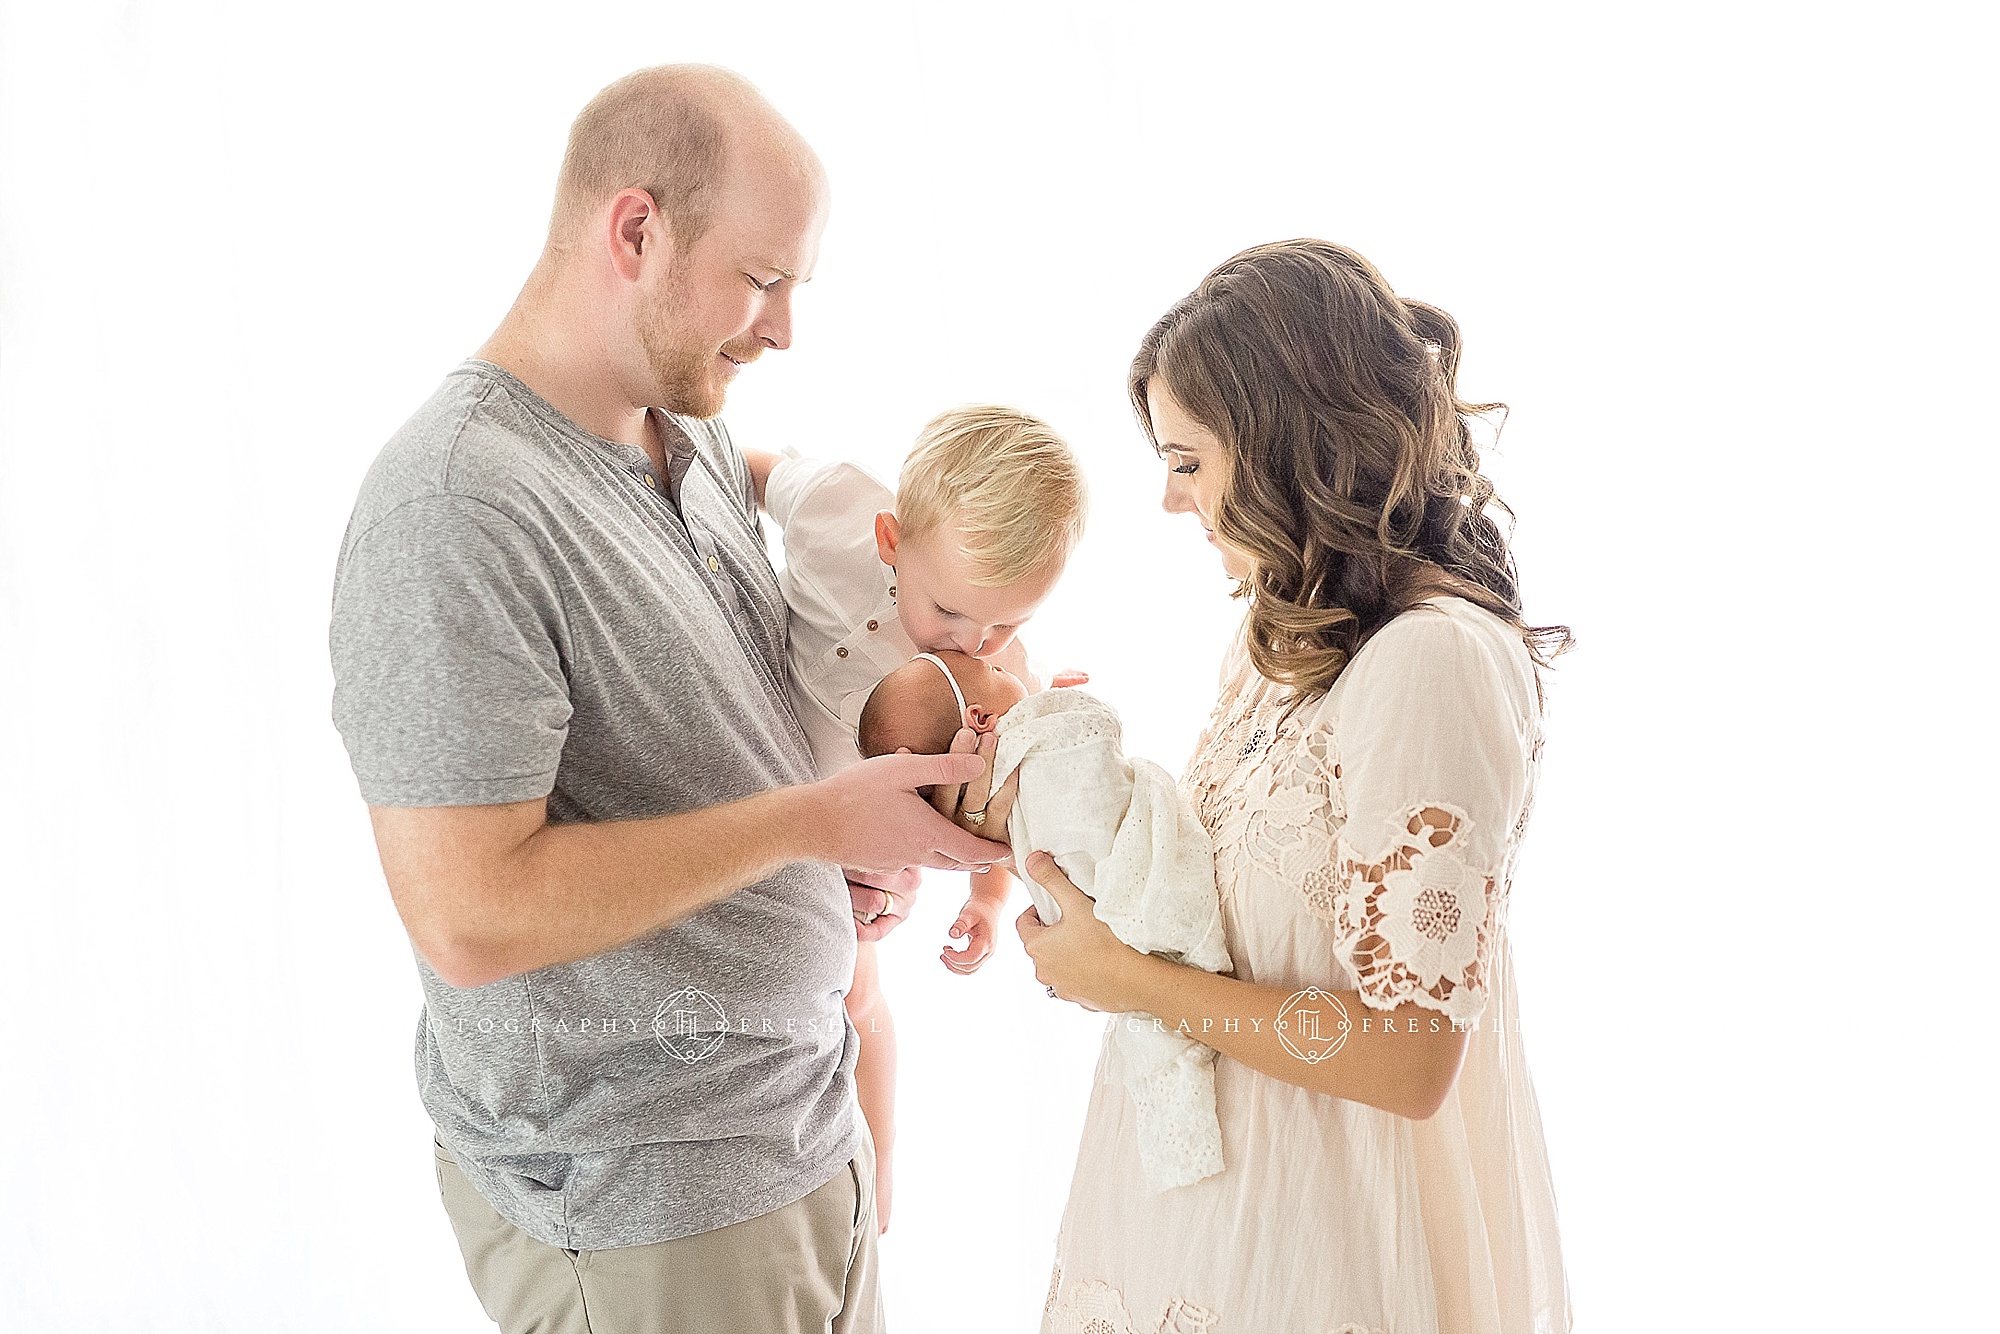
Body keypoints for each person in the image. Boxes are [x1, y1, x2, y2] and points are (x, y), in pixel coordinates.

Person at [327, 65, 1007, 1334]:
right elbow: (469, 913)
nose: (785, 328)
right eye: (763, 279)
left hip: (797, 1138)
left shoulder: (683, 433)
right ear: (635, 231)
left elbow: (728, 737)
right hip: (653, 1206)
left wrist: (888, 795)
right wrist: (815, 827)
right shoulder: (455, 510)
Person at [1016, 239, 1575, 1333]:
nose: (1170, 501)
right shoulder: (1280, 644)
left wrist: (1121, 976)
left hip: (1324, 1251)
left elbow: (1410, 1056)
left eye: (1186, 460)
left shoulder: (1430, 661)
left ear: (1283, 448)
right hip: (1202, 1230)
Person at [739, 404, 1087, 1232]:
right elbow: (742, 468)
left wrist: (990, 901)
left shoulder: (1001, 677)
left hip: (869, 853)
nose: (981, 641)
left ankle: (878, 1179)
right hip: (779, 800)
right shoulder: (837, 511)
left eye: (1010, 621)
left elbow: (998, 809)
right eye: (954, 614)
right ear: (891, 541)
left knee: (859, 994)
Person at [860, 650, 1235, 1195]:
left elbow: (1031, 823)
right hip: (1120, 902)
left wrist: (987, 902)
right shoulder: (1022, 752)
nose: (1011, 667)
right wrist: (1053, 715)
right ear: (983, 721)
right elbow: (1078, 752)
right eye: (997, 675)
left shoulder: (1001, 776)